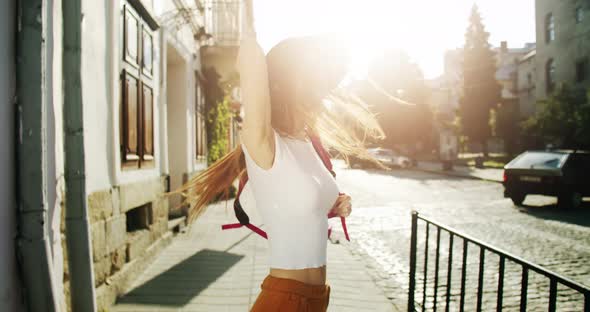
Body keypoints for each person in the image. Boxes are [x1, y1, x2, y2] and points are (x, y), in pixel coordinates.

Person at [174, 31, 385, 311]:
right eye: (313, 80)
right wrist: (292, 51)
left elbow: (300, 200)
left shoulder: (308, 142)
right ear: (286, 83)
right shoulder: (263, 142)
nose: (320, 92)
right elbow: (249, 51)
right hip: (285, 300)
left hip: (317, 297)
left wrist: (334, 203)